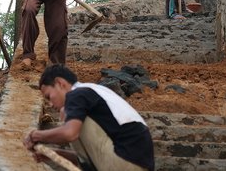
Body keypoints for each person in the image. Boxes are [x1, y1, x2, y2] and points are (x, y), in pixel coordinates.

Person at [23, 64, 155, 171]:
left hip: (125, 160)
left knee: (66, 113)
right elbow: (89, 158)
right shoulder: (91, 91)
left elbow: (70, 134)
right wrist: (54, 154)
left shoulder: (76, 95)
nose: (50, 105)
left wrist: (36, 135)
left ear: (60, 83)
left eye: (49, 97)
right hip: (134, 162)